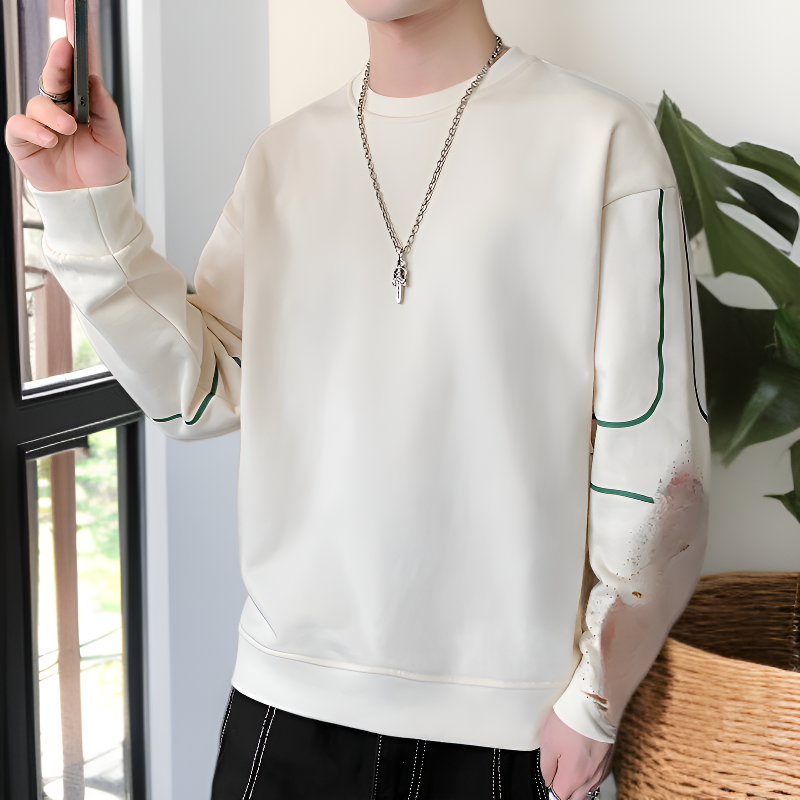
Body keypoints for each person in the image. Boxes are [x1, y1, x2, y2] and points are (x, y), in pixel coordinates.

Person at [6, 0, 710, 798]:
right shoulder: (283, 158)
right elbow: (196, 395)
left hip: (510, 727)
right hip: (284, 709)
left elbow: (656, 463)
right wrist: (90, 213)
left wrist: (596, 701)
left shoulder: (602, 142)